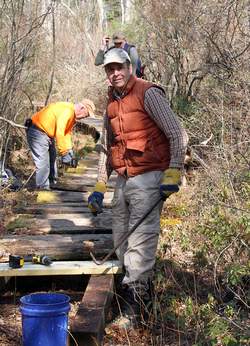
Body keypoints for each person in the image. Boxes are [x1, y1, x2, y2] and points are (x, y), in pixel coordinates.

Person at [88, 48, 188, 328]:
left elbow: (178, 134)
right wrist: (99, 185)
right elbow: (106, 149)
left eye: (119, 67)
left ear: (130, 67)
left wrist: (173, 172)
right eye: (110, 69)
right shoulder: (110, 103)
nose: (115, 73)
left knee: (141, 241)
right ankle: (135, 289)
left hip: (150, 176)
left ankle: (134, 311)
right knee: (120, 237)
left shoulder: (148, 93)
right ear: (106, 73)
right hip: (123, 178)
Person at [25, 99, 95, 190]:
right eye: (86, 114)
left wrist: (69, 149)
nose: (85, 117)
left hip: (46, 134)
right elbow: (60, 132)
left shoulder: (72, 115)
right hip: (37, 131)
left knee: (52, 158)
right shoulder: (67, 111)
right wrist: (64, 151)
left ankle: (52, 183)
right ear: (82, 108)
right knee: (43, 162)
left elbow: (67, 133)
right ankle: (43, 189)